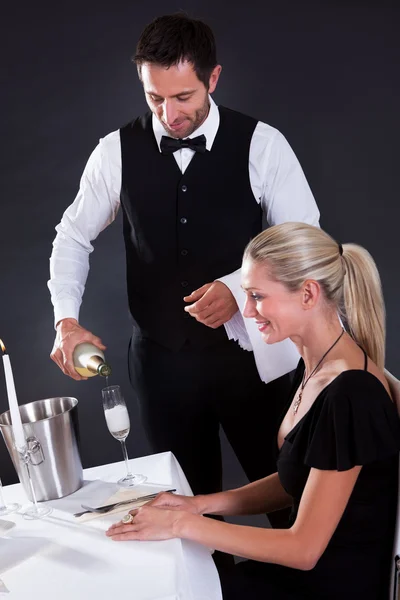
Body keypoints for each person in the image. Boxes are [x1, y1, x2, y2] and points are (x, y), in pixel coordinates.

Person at [48, 14, 319, 516]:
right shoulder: (114, 152)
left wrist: (240, 289)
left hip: (252, 362)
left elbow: (307, 241)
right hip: (161, 366)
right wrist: (66, 319)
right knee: (183, 514)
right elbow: (72, 235)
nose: (169, 114)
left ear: (213, 79)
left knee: (290, 498)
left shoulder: (263, 143)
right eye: (155, 98)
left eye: (184, 97)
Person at [106, 222, 400, 600]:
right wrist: (199, 505)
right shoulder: (313, 367)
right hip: (304, 577)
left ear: (308, 294)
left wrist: (180, 523)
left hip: (330, 586)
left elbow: (303, 550)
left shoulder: (351, 393)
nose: (246, 311)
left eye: (257, 296)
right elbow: (299, 478)